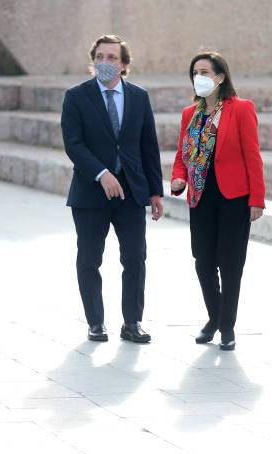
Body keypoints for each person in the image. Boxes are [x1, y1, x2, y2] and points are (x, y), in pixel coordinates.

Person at [61, 35, 164, 343]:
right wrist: (102, 173)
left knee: (135, 257)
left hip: (131, 191)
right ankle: (95, 322)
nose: (105, 62)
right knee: (90, 258)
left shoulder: (138, 97)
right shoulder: (76, 96)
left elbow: (149, 147)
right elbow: (73, 144)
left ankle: (132, 322)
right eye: (100, 57)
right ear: (93, 60)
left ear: (124, 64)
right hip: (90, 193)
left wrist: (155, 192)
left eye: (112, 58)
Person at [171, 51, 265, 351]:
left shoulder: (241, 109)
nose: (199, 77)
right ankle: (215, 316)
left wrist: (257, 198)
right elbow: (181, 155)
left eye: (204, 72)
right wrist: (178, 177)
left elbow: (253, 156)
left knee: (231, 263)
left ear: (220, 77)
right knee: (203, 260)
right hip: (201, 197)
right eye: (195, 72)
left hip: (234, 197)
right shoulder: (190, 114)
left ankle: (227, 327)